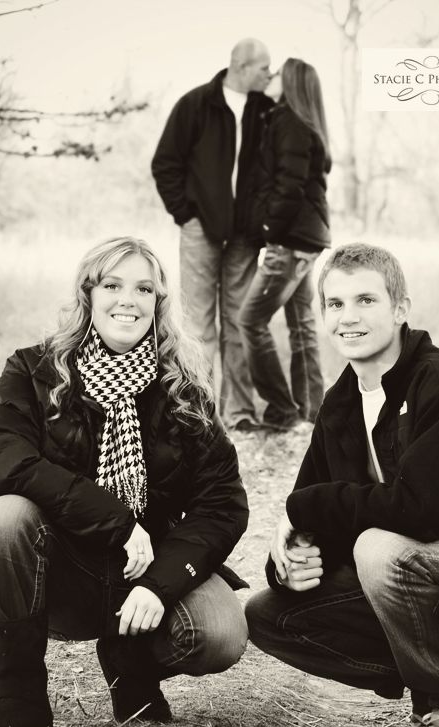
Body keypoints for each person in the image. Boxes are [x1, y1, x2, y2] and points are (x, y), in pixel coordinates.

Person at [245, 243, 439, 727]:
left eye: (366, 300)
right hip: (428, 581)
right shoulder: (341, 402)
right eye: (335, 304)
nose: (349, 317)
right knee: (269, 615)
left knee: (380, 549)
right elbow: (316, 514)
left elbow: (421, 513)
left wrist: (302, 509)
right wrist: (291, 564)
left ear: (400, 308)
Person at [0, 237, 249, 727]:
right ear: (88, 293)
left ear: (158, 302)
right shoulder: (33, 371)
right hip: (61, 566)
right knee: (6, 516)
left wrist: (161, 583)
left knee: (220, 634)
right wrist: (119, 522)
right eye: (112, 285)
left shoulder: (183, 387)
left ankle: (129, 665)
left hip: (147, 565)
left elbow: (221, 503)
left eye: (143, 289)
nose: (127, 300)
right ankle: (22, 703)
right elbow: (6, 465)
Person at [151, 38, 273, 432]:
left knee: (239, 324)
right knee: (199, 326)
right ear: (240, 65)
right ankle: (200, 413)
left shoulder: (266, 110)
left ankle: (239, 413)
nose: (268, 75)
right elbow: (165, 162)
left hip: (246, 237)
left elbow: (275, 170)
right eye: (262, 68)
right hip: (200, 230)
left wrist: (261, 223)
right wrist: (185, 215)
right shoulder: (196, 104)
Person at [239, 57, 330, 431]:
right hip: (307, 239)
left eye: (276, 73)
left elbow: (288, 186)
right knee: (301, 324)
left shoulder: (289, 121)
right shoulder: (302, 121)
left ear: (289, 81)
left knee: (250, 320)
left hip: (290, 241)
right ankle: (313, 413)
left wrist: (269, 229)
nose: (271, 76)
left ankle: (282, 411)